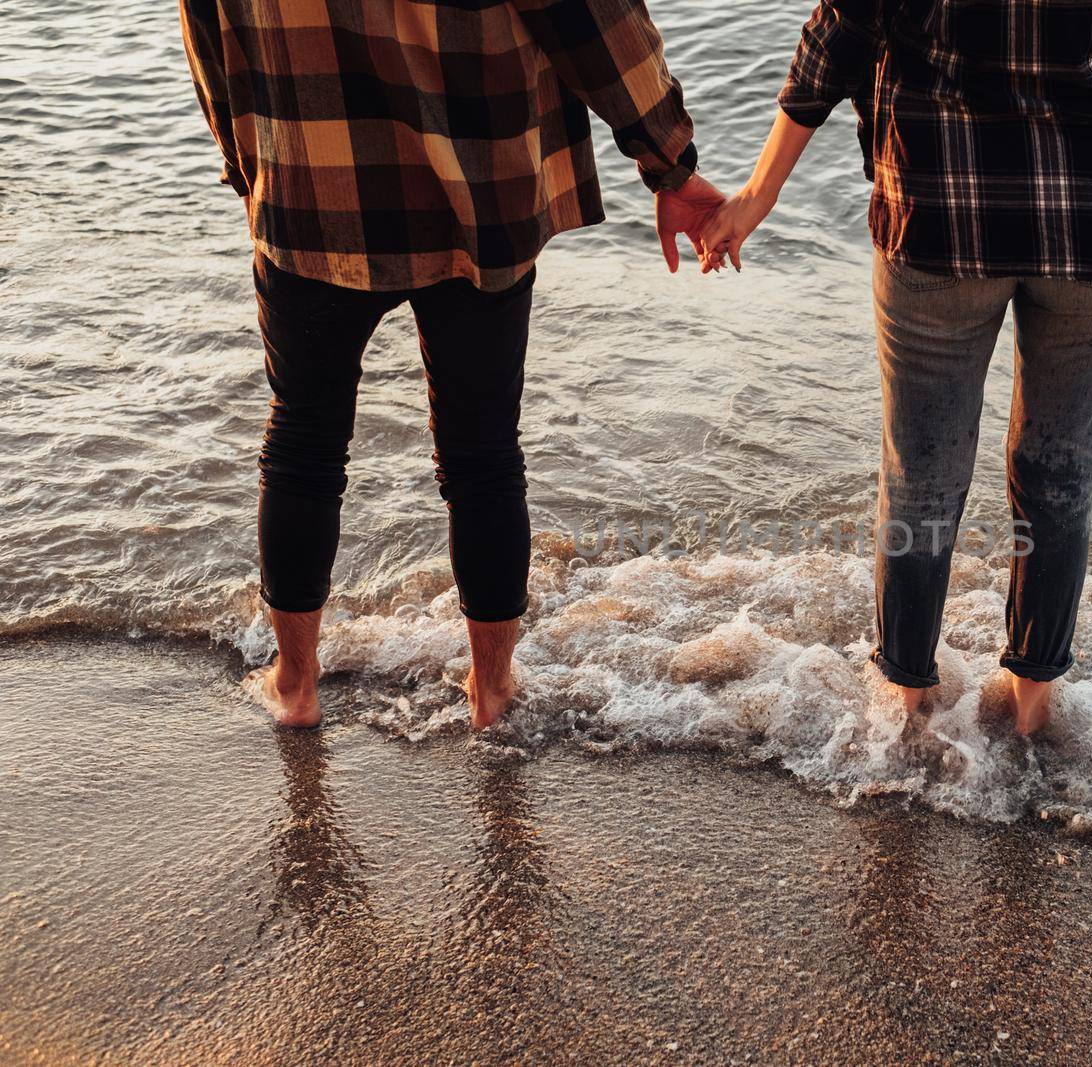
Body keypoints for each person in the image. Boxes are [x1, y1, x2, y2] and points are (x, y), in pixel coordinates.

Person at [178, 0, 723, 730]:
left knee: (303, 443)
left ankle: (296, 685)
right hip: (478, 188)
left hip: (310, 184)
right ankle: (491, 691)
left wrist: (246, 158)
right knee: (484, 454)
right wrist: (668, 161)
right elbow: (589, 15)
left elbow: (206, 22)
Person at [700, 0, 1092, 735]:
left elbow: (842, 29)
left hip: (937, 208)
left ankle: (906, 708)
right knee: (1059, 476)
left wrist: (759, 194)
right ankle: (1029, 707)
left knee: (920, 478)